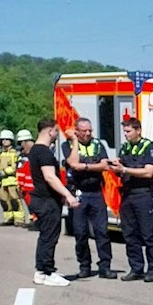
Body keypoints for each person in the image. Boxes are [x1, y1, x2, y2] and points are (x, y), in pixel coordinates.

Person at [109, 117, 153, 282]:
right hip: (127, 194)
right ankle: (136, 268)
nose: (125, 135)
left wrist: (125, 169)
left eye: (128, 131)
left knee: (148, 234)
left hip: (144, 194)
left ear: (138, 130)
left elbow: (148, 172)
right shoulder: (125, 148)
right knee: (130, 233)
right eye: (124, 131)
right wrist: (116, 168)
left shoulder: (150, 147)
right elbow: (121, 170)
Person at [26, 120, 78, 287]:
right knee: (49, 236)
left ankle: (42, 271)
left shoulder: (34, 150)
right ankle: (46, 271)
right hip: (46, 201)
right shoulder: (44, 153)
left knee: (46, 236)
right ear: (50, 131)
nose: (58, 134)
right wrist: (67, 195)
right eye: (56, 131)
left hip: (42, 199)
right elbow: (49, 176)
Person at [64, 118, 115, 277]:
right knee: (80, 232)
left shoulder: (98, 144)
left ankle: (105, 266)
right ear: (76, 131)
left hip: (96, 193)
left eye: (90, 131)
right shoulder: (68, 145)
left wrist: (85, 165)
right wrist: (74, 142)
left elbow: (105, 165)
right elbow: (73, 163)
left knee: (102, 231)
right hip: (78, 193)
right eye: (84, 131)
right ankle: (84, 266)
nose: (87, 134)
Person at [0, 130, 24, 226]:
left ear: (11, 140)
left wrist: (4, 172)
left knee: (15, 200)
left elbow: (15, 166)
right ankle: (8, 218)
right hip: (2, 181)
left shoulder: (16, 153)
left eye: (7, 139)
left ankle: (19, 219)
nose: (4, 141)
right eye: (3, 139)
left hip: (12, 180)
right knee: (4, 200)